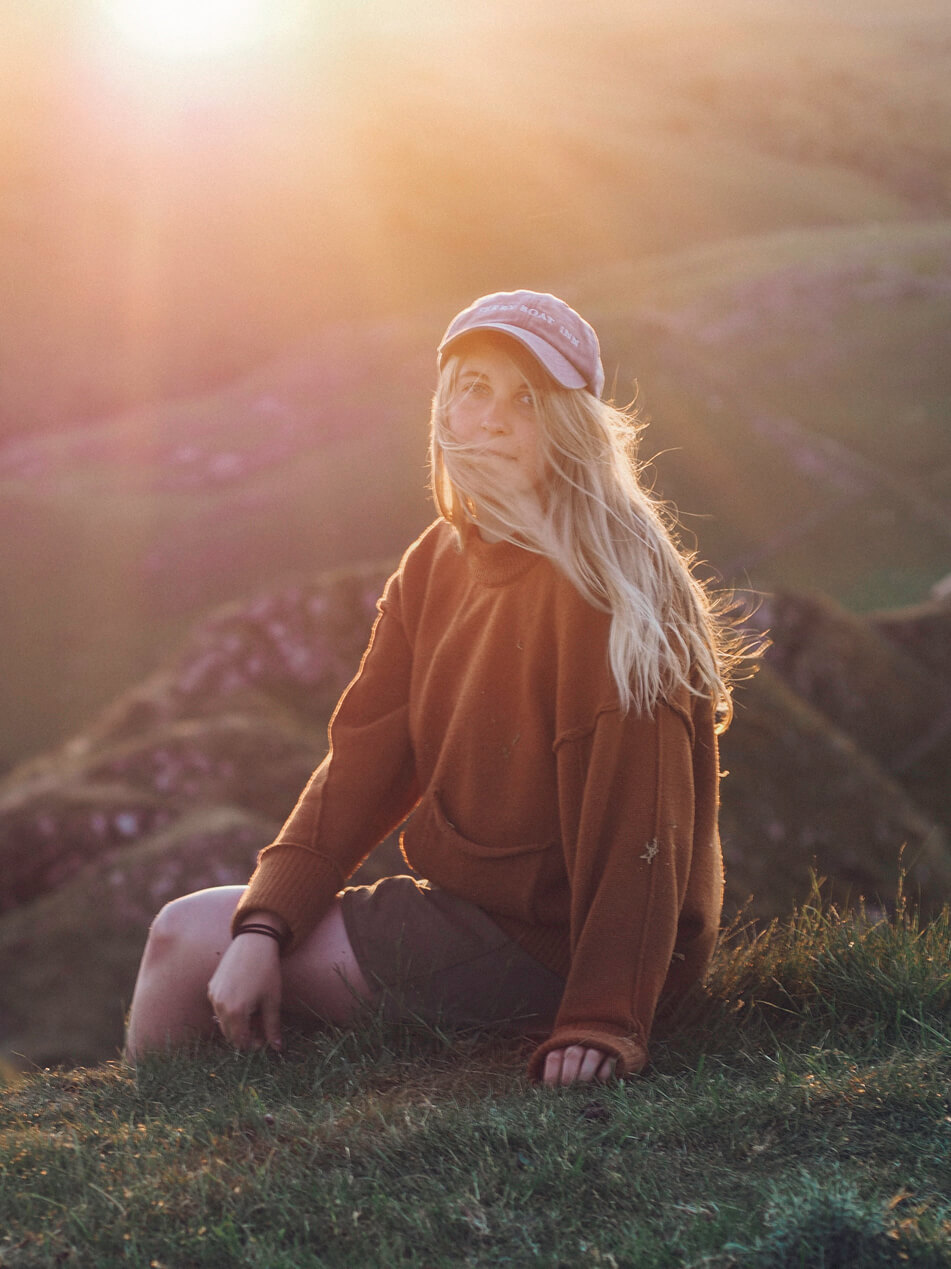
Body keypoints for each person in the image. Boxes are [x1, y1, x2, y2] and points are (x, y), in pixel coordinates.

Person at [125, 289, 740, 1087]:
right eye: (472, 387)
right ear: (442, 404)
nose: (488, 419)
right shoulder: (438, 558)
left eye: (526, 398)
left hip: (556, 945)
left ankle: (147, 1147)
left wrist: (602, 1016)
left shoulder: (608, 593)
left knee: (182, 940)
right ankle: (189, 1121)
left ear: (570, 424)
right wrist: (268, 920)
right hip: (473, 910)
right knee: (209, 935)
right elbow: (365, 757)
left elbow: (644, 834)